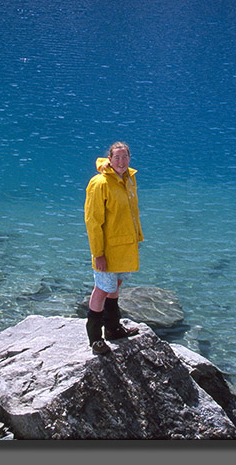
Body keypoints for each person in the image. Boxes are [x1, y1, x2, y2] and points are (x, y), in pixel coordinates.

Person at [83, 141, 143, 354]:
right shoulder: (100, 183)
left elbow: (131, 213)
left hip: (124, 246)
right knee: (101, 289)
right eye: (116, 158)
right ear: (109, 159)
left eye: (124, 157)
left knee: (115, 286)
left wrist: (137, 238)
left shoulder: (128, 179)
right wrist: (98, 253)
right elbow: (92, 221)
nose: (121, 161)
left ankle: (113, 328)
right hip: (107, 249)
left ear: (129, 158)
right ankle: (95, 338)